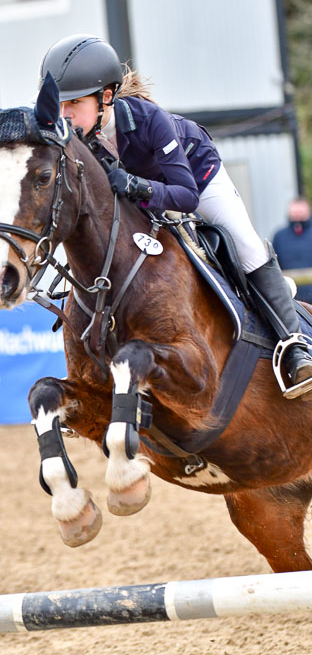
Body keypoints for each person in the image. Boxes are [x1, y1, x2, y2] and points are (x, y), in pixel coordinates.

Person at [39, 33, 312, 397]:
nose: (65, 114)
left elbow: (185, 195)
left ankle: (294, 346)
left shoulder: (149, 120)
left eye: (74, 102)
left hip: (197, 178)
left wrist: (137, 186)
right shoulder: (79, 139)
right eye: (60, 104)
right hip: (145, 197)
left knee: (246, 246)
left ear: (105, 97)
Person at [273, 198, 312, 305]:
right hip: (290, 298)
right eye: (294, 212)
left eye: (300, 212)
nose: (297, 216)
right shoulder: (279, 236)